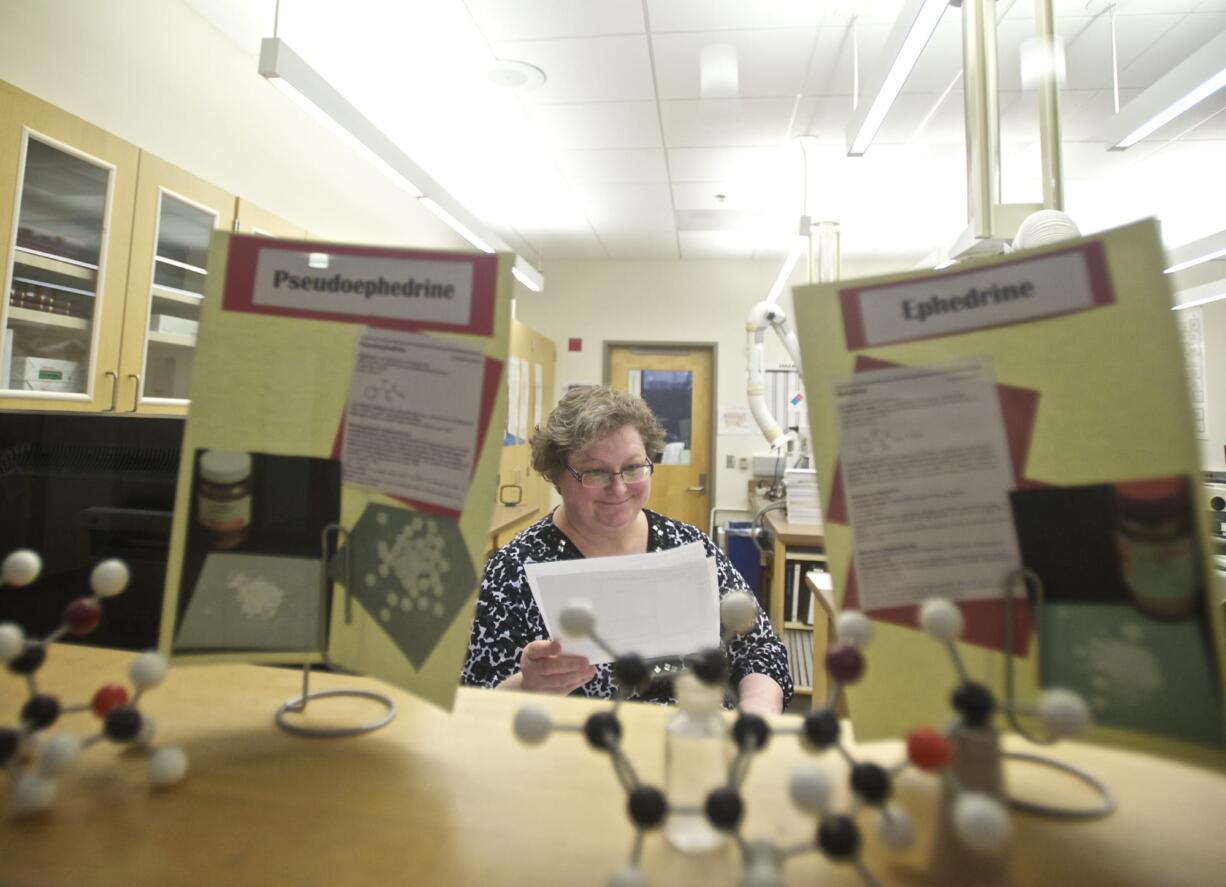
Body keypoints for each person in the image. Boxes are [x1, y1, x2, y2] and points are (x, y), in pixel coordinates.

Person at [461, 385, 792, 716]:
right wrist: (527, 687)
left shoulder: (689, 547)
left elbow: (758, 646)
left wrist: (756, 711)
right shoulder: (513, 571)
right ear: (558, 475)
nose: (618, 488)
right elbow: (472, 705)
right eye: (595, 472)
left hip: (699, 744)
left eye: (633, 467)